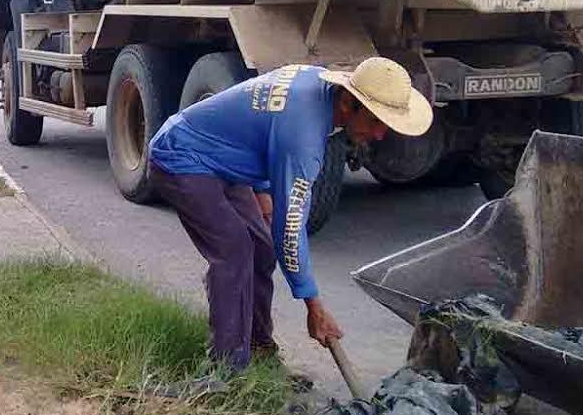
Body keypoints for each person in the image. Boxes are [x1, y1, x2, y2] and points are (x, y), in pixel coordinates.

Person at [147, 56, 432, 371]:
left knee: (262, 250)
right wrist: (314, 306)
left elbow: (260, 125)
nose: (380, 135)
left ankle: (260, 351)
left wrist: (263, 188)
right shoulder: (304, 135)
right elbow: (290, 231)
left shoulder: (316, 84)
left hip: (221, 158)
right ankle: (226, 369)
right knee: (235, 250)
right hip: (180, 155)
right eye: (376, 122)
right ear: (349, 103)